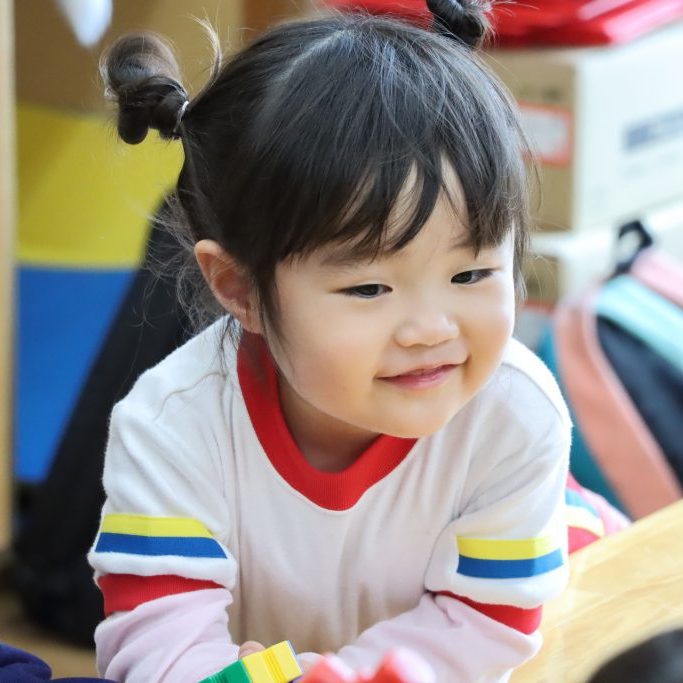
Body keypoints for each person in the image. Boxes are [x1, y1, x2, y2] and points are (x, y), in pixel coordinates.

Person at [88, 1, 626, 681]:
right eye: (370, 288)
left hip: (558, 586)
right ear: (238, 287)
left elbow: (486, 625)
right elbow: (156, 650)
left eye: (470, 274)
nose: (432, 329)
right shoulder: (171, 427)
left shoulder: (513, 413)